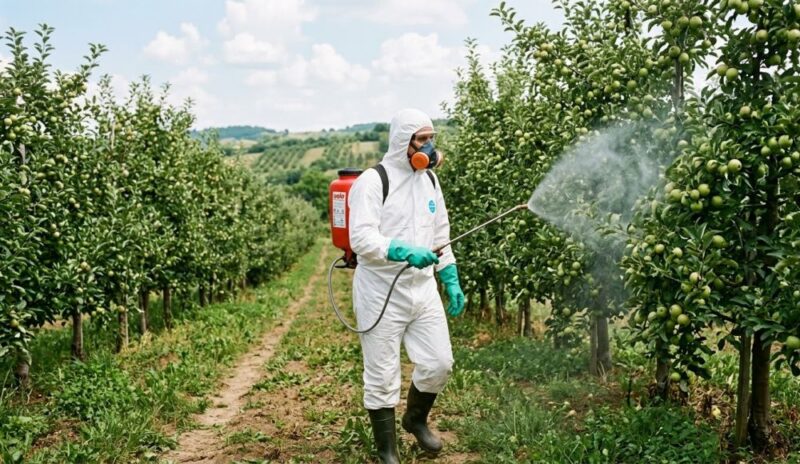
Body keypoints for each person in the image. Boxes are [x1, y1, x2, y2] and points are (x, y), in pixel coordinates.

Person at [348, 108, 465, 463]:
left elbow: (440, 231)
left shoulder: (429, 179)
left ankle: (415, 419)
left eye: (432, 139)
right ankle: (387, 451)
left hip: (422, 289)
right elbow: (361, 237)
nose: (429, 148)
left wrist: (450, 276)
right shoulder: (373, 181)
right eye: (422, 139)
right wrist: (399, 249)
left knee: (439, 362)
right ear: (403, 141)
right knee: (382, 374)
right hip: (381, 291)